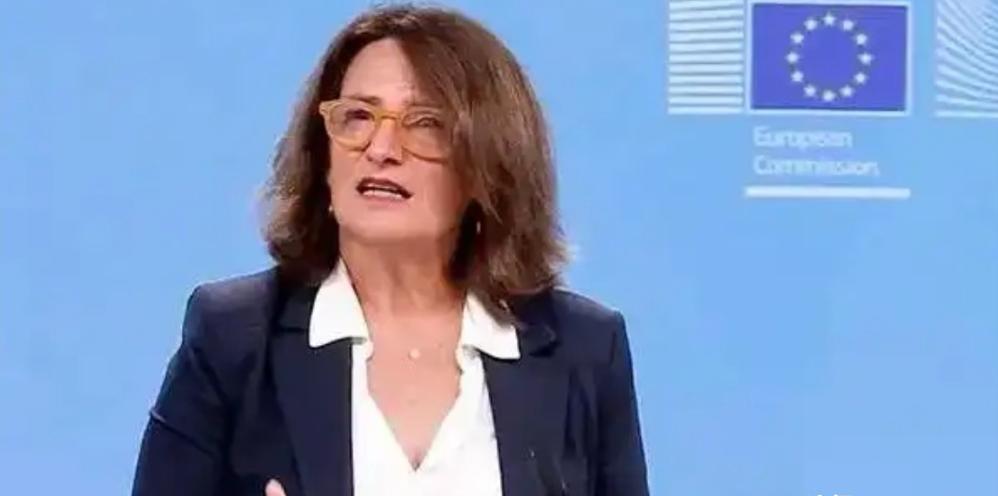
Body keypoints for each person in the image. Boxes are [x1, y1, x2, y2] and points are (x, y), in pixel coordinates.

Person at [131, 5, 648, 496]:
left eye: (425, 123)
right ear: (323, 154)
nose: (380, 149)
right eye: (358, 117)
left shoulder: (584, 349)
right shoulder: (234, 338)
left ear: (488, 164)